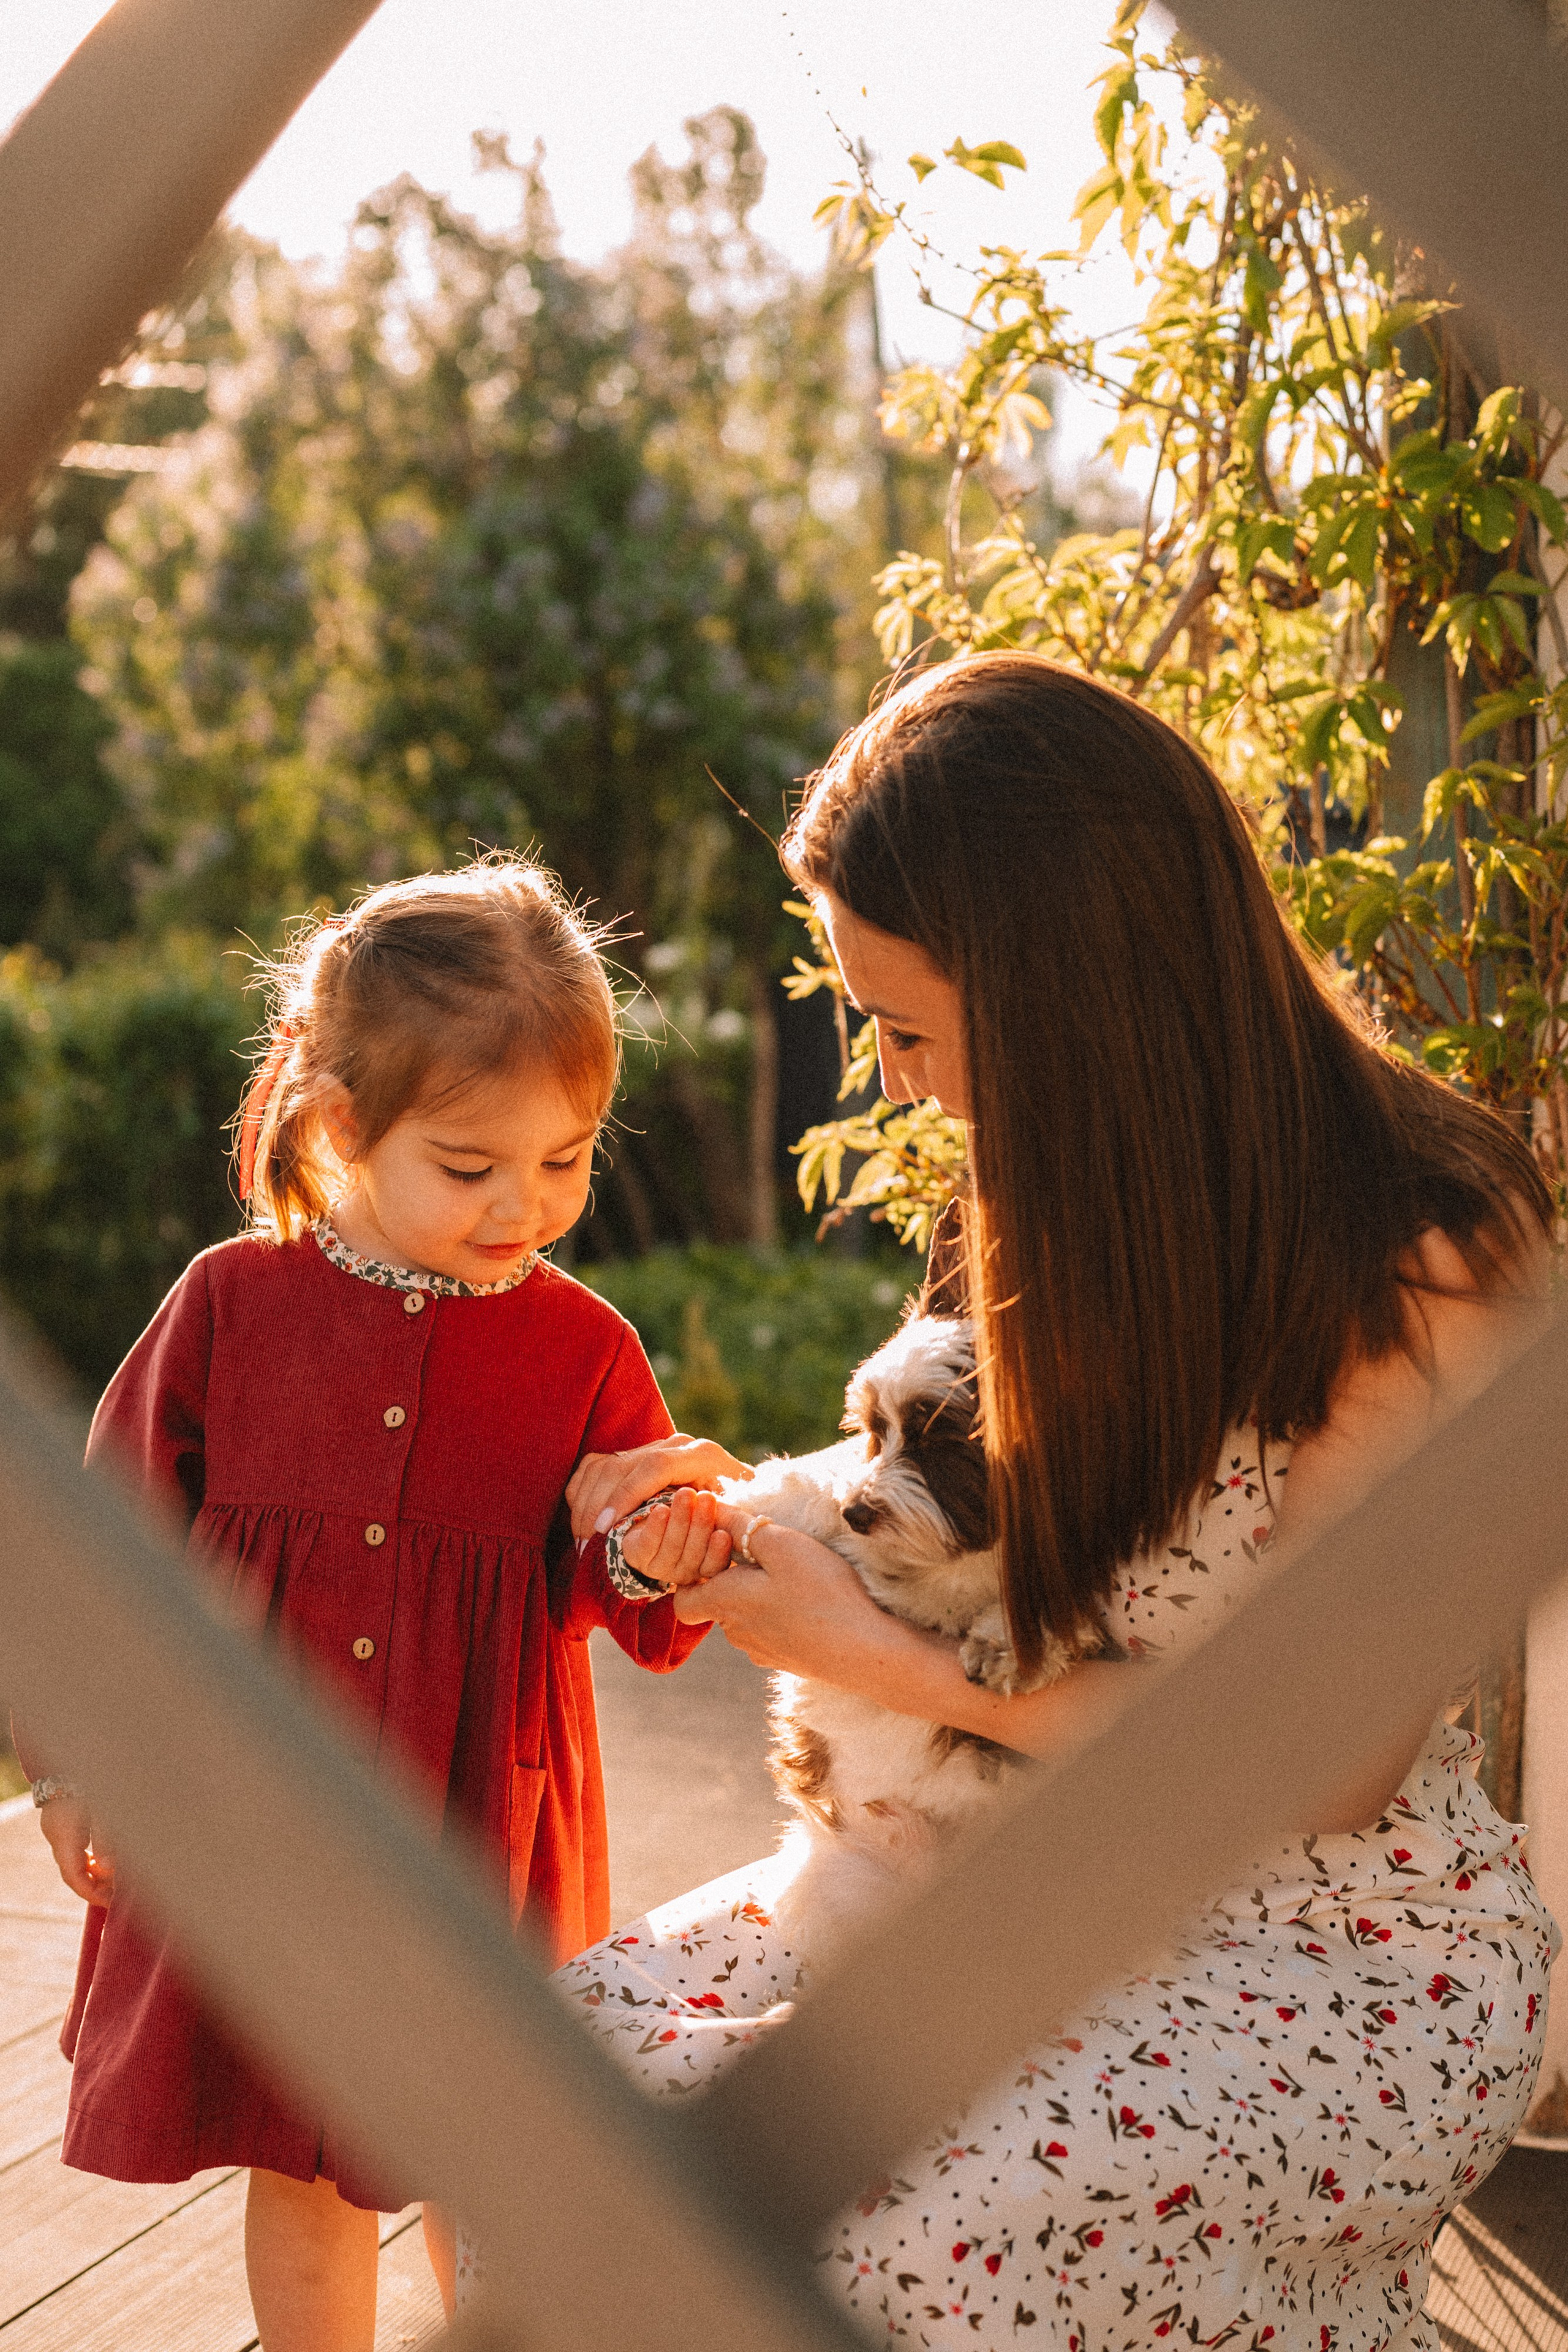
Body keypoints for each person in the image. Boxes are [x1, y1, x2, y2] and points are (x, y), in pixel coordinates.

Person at [555, 655, 1559, 2352]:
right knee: (555, 2082)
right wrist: (750, 1513)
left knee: (900, 2232)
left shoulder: (1426, 1247)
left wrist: (895, 1671)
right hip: (1009, 1871)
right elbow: (958, 1517)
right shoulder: (1045, 1194)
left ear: (1070, 992)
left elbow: (1324, 1762)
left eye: (908, 1028)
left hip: (1338, 1952)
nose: (889, 1079)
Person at [27, 859, 717, 2352]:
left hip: (480, 1827)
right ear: (341, 1122)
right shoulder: (230, 1307)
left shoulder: (583, 1349)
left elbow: (626, 1580)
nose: (522, 1206)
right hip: (260, 1811)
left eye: (564, 1160)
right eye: (468, 1167)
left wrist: (656, 1548)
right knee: (308, 2148)